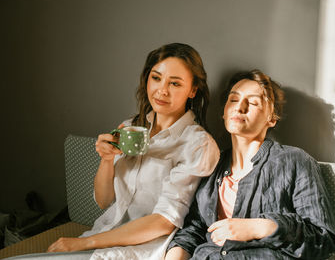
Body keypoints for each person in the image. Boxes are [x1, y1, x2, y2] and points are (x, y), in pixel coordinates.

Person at [7, 43, 219, 260]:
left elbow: (163, 222)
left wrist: (81, 243)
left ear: (193, 90)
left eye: (175, 83)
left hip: (144, 250)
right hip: (101, 236)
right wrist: (106, 160)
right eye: (156, 78)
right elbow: (104, 200)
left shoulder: (197, 144)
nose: (162, 90)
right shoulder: (130, 127)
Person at [166, 70, 335, 260]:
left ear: (272, 118)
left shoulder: (294, 161)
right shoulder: (210, 163)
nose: (239, 107)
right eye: (233, 100)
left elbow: (323, 239)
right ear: (224, 112)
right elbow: (194, 231)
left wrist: (259, 227)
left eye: (254, 102)